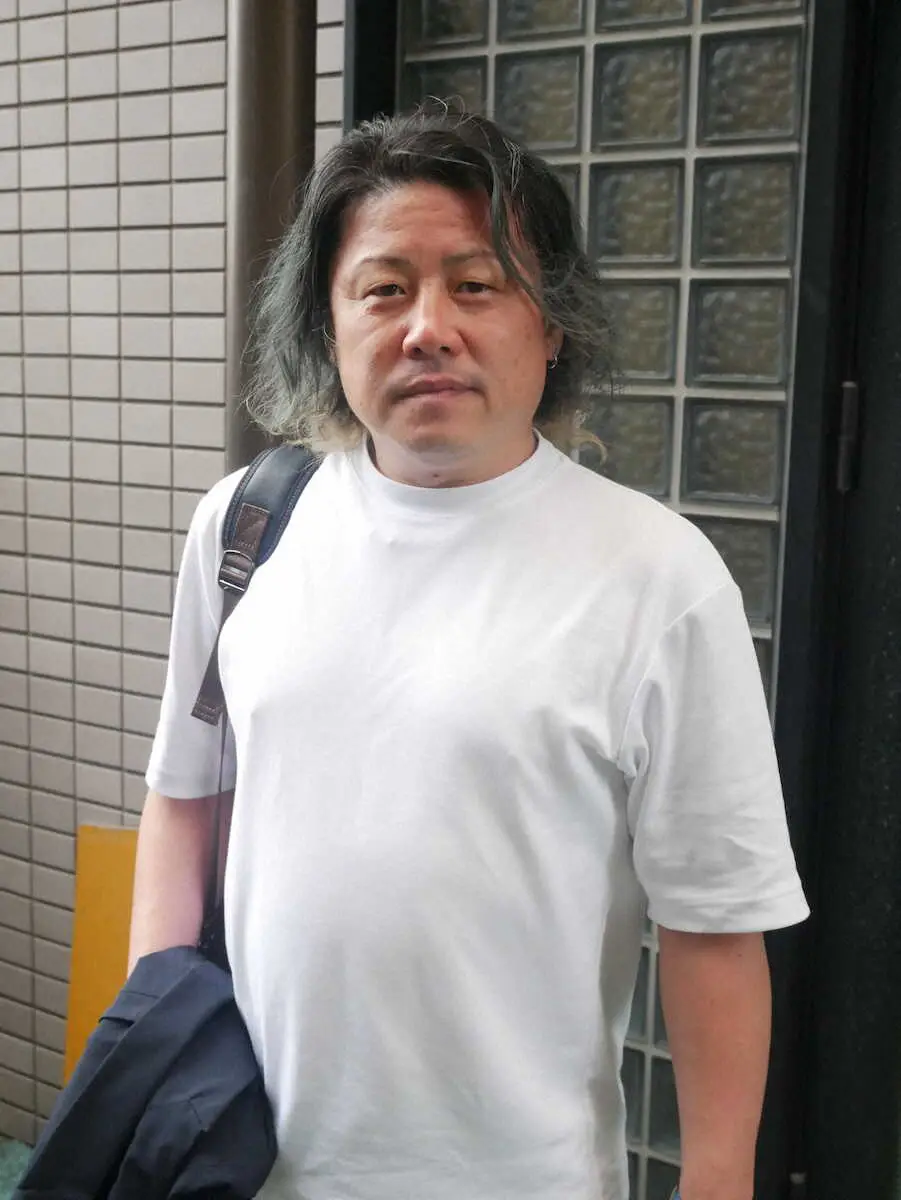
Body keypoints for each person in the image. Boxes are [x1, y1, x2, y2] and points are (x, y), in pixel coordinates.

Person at [130, 102, 809, 1200]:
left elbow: (715, 925)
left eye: (476, 285)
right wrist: (149, 1059)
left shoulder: (655, 577)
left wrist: (717, 1182)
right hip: (240, 1165)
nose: (427, 328)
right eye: (383, 288)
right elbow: (185, 797)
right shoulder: (247, 527)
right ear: (328, 326)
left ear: (552, 325)